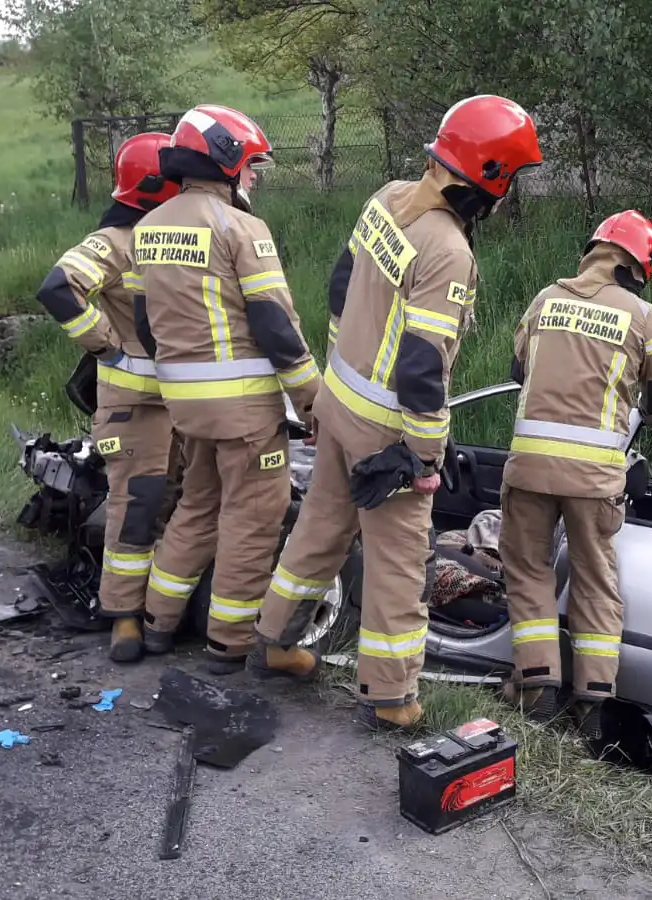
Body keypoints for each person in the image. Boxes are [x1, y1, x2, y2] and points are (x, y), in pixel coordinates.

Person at [252, 95, 543, 731]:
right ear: (491, 177)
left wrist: (334, 378)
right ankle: (392, 698)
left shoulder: (388, 198)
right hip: (388, 433)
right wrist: (427, 456)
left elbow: (339, 284)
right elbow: (419, 368)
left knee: (320, 529)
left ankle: (274, 641)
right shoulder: (449, 251)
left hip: (339, 401)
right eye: (511, 178)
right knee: (400, 565)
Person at [132, 104, 322, 674]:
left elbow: (146, 324)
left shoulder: (148, 228)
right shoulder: (241, 228)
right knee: (254, 515)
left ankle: (156, 623)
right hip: (243, 408)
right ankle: (230, 641)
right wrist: (311, 395)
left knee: (198, 504)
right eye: (251, 164)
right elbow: (274, 324)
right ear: (225, 161)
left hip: (184, 403)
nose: (255, 176)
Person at [496, 210, 652, 737]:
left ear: (594, 249)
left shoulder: (544, 301)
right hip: (595, 480)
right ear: (639, 266)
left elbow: (516, 372)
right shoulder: (643, 316)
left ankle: (536, 687)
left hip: (529, 469)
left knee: (528, 571)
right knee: (596, 581)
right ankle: (593, 703)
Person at [32, 131, 181, 663]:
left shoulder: (179, 236)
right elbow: (57, 288)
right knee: (135, 510)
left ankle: (165, 612)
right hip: (136, 409)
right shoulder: (117, 241)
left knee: (178, 508)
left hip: (184, 406)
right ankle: (123, 616)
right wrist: (106, 345)